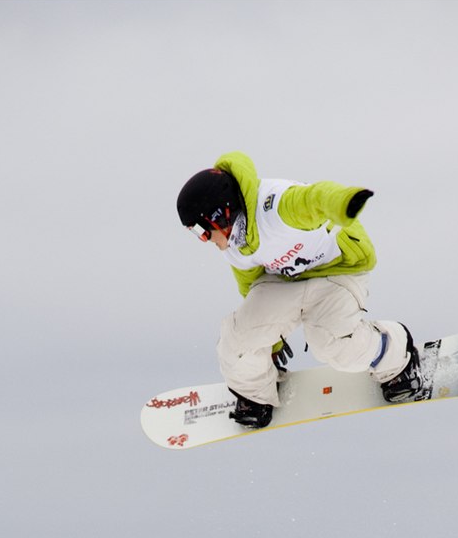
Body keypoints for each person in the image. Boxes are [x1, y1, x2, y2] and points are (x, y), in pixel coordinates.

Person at [176, 150, 424, 428]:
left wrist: (345, 201)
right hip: (284, 281)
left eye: (201, 231)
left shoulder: (276, 208)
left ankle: (396, 358)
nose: (204, 240)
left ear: (221, 214)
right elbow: (250, 285)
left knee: (333, 345)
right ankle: (256, 394)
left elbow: (315, 199)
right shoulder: (235, 245)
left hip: (337, 271)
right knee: (238, 341)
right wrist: (270, 339)